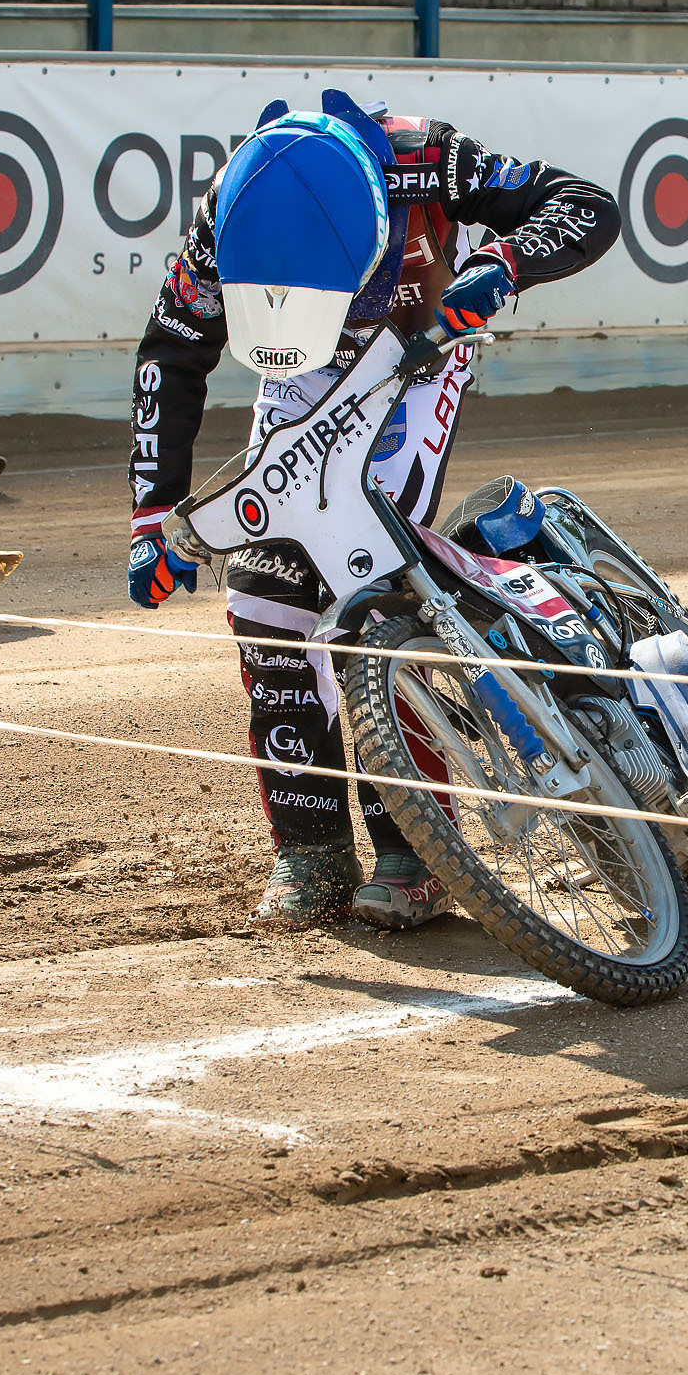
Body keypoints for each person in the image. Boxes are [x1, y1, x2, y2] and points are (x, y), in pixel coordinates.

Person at [126, 90, 618, 929]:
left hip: (416, 365)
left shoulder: (427, 158)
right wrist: (153, 519)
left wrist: (501, 265)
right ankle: (309, 847)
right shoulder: (226, 213)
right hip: (302, 377)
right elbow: (172, 352)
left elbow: (588, 207)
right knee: (265, 594)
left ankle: (415, 846)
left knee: (369, 581)